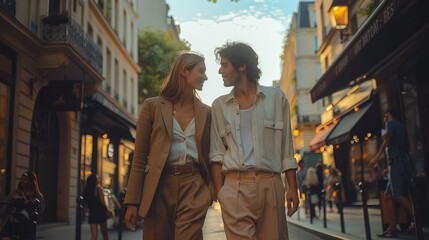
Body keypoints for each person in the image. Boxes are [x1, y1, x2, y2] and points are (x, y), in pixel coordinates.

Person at [210, 41, 299, 239]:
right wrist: (220, 193)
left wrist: (292, 187)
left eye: (225, 65)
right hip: (234, 187)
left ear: (242, 66)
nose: (220, 71)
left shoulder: (277, 99)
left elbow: (286, 148)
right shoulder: (219, 106)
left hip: (271, 185)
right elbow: (216, 153)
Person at [123, 51, 212, 240]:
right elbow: (139, 158)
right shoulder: (152, 107)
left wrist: (209, 192)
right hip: (159, 186)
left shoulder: (208, 112)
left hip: (194, 185)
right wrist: (132, 202)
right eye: (201, 71)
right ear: (184, 71)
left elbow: (213, 155)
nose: (206, 76)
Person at [370, 109, 415, 238]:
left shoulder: (391, 124)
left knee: (397, 194)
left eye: (386, 115)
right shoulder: (400, 126)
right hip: (396, 164)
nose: (384, 118)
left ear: (392, 115)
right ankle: (393, 227)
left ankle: (416, 217)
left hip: (396, 163)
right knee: (388, 196)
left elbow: (387, 142)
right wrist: (388, 168)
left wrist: (376, 158)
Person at [0, 171, 45, 239]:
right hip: (11, 222)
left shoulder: (37, 195)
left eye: (26, 179)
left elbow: (40, 211)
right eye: (22, 179)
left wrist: (24, 201)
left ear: (32, 181)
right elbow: (6, 204)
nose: (23, 181)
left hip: (25, 226)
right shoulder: (16, 192)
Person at [82, 174, 109, 240]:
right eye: (97, 178)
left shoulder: (87, 190)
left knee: (94, 236)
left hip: (92, 214)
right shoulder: (99, 188)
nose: (99, 180)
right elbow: (103, 203)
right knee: (105, 234)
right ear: (95, 181)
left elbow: (85, 204)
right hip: (101, 213)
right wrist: (108, 210)